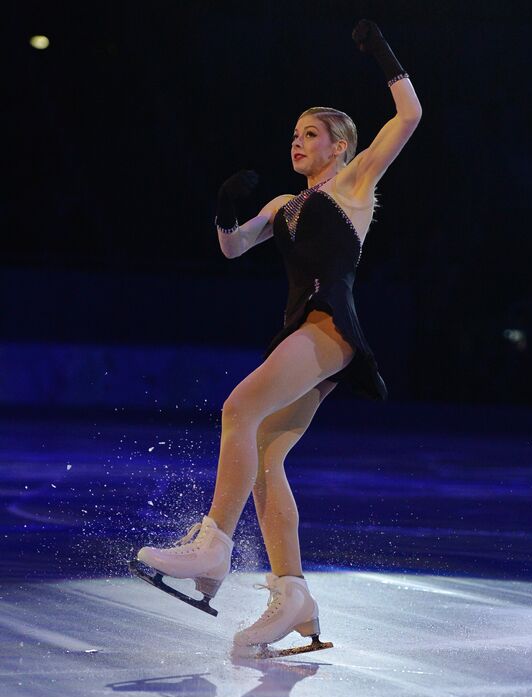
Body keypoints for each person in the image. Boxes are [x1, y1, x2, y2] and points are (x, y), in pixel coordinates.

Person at [133, 19, 422, 656]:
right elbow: (234, 249)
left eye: (311, 134)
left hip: (329, 327)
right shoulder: (283, 205)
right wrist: (223, 208)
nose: (298, 142)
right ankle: (292, 592)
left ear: (340, 146)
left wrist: (382, 52)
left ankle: (212, 545)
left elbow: (409, 114)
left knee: (239, 407)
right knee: (265, 462)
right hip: (301, 333)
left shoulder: (353, 185)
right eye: (294, 134)